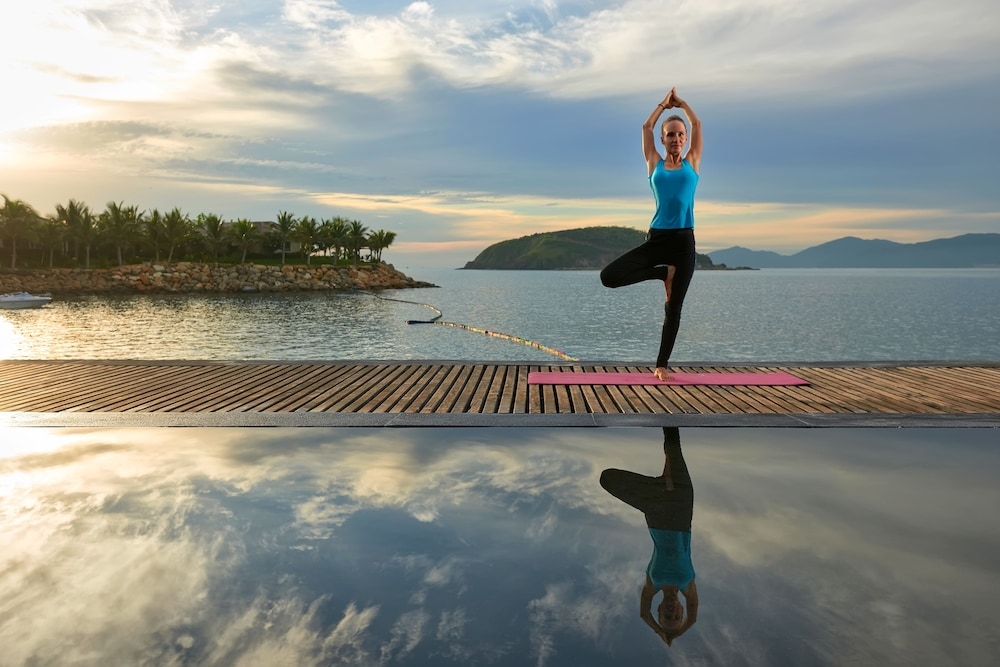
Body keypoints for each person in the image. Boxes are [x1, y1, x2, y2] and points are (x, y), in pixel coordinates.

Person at [600, 87, 702, 381]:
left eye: (680, 134)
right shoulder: (653, 163)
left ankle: (661, 365)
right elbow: (645, 126)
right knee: (609, 276)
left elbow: (698, 125)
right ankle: (661, 273)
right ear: (662, 139)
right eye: (670, 134)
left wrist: (681, 104)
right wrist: (663, 104)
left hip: (684, 243)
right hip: (657, 239)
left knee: (674, 307)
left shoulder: (692, 162)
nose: (676, 139)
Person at [600, 427, 699, 646]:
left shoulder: (652, 583)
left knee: (606, 478)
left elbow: (644, 614)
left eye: (666, 615)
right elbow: (693, 617)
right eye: (676, 616)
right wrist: (678, 632)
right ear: (682, 609)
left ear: (660, 608)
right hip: (682, 509)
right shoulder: (688, 586)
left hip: (656, 513)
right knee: (673, 445)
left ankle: (659, 482)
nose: (672, 612)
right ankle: (669, 410)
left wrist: (661, 630)